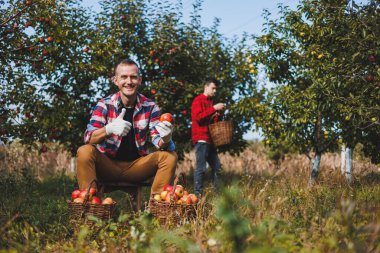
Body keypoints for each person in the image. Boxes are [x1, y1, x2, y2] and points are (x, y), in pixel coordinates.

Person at [76, 58, 177, 195]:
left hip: (136, 167)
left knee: (170, 156)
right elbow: (89, 138)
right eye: (124, 77)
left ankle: (159, 207)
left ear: (139, 80)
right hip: (107, 166)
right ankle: (90, 204)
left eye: (133, 77)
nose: (129, 82)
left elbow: (158, 140)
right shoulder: (104, 104)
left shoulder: (150, 106)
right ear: (115, 80)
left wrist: (165, 139)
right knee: (84, 151)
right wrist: (109, 129)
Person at [191, 78, 225, 197]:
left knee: (217, 167)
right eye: (213, 88)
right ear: (206, 87)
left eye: (216, 89)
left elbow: (212, 121)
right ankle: (197, 196)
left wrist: (218, 114)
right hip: (201, 138)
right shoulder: (198, 100)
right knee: (201, 168)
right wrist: (214, 109)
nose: (215, 91)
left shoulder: (211, 102)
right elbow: (198, 118)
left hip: (210, 140)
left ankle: (217, 195)